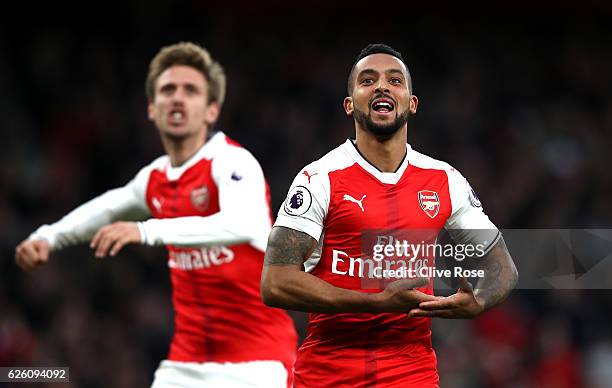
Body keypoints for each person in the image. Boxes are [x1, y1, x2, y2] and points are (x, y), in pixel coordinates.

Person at [15, 42, 297, 388]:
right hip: (185, 364)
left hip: (258, 362)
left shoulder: (232, 162)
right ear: (151, 108)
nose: (177, 98)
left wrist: (147, 231)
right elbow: (105, 208)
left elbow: (244, 223)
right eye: (168, 90)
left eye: (191, 91)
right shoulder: (155, 178)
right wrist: (49, 236)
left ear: (212, 110)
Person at [261, 44, 518, 387]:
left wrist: (479, 299)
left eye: (395, 80)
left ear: (412, 103)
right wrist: (376, 302)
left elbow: (502, 266)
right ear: (349, 105)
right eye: (368, 80)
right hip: (328, 375)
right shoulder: (319, 178)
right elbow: (275, 282)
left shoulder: (444, 180)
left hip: (412, 374)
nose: (382, 86)